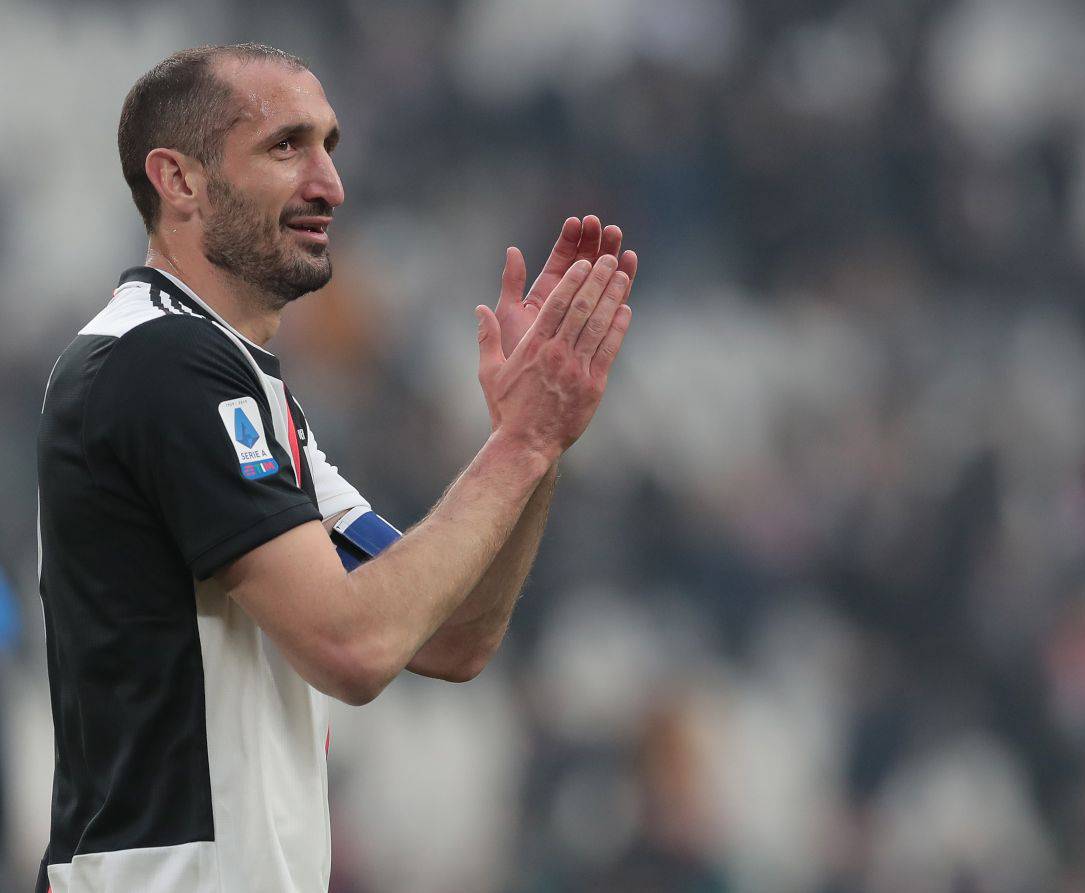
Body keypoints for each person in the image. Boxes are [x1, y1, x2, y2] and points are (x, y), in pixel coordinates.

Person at [34, 43, 636, 893]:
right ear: (178, 180)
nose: (330, 184)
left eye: (330, 146)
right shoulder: (158, 361)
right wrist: (520, 445)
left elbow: (454, 635)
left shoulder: (237, 386)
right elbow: (353, 646)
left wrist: (535, 441)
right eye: (286, 147)